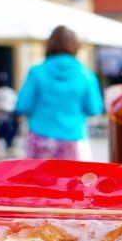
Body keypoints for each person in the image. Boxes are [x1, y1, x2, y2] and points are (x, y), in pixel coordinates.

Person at [14, 25, 103, 161]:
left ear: (49, 45)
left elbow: (22, 106)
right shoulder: (86, 75)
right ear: (76, 46)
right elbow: (94, 108)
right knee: (71, 181)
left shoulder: (36, 72)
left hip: (39, 139)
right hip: (72, 139)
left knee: (37, 182)